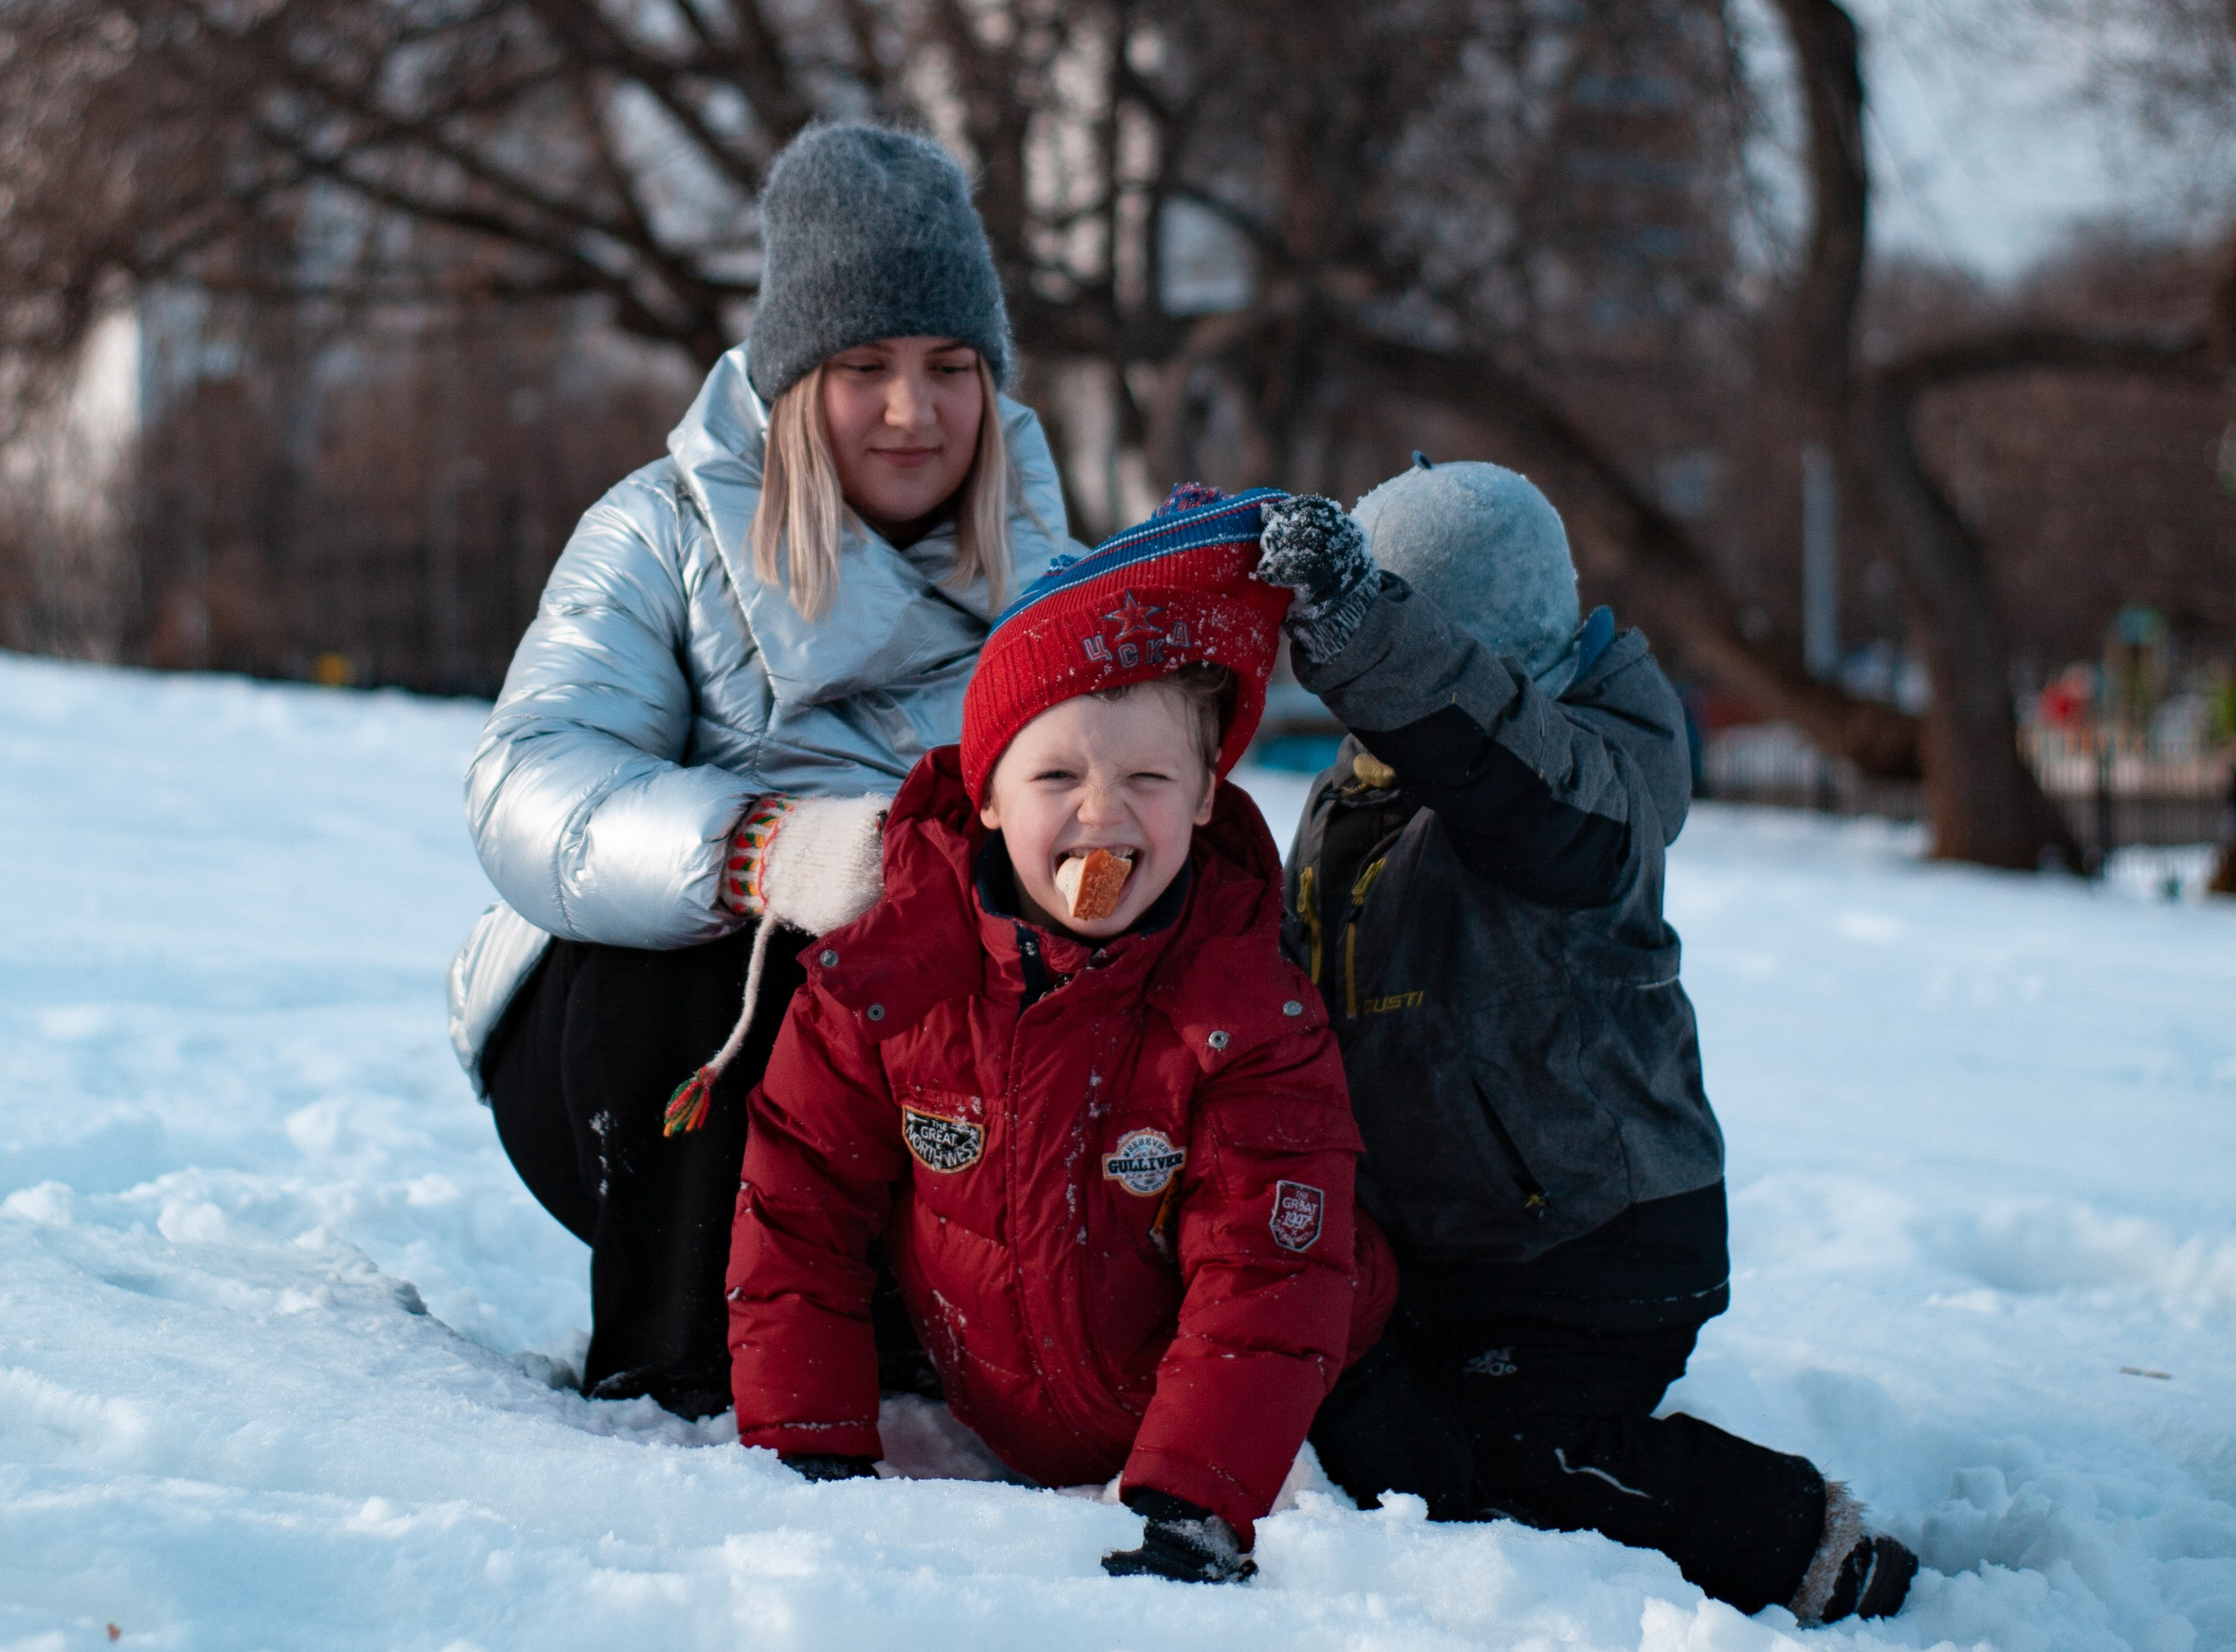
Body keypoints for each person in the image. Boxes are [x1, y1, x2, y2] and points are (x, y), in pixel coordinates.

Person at [444, 123, 1071, 1420]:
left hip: (920, 1061)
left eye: (952, 366)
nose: (915, 410)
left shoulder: (1053, 581)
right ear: (794, 380)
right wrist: (760, 852)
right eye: (867, 367)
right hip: (642, 1071)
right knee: (710, 940)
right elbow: (525, 779)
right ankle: (675, 1362)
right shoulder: (660, 531)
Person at [1253, 462, 1918, 1626]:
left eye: (1387, 641)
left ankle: (1807, 1543)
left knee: (1519, 1460)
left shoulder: (1582, 779)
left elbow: (1514, 774)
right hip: (1449, 1240)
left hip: (1586, 1245)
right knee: (1369, 1423)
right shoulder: (1353, 799)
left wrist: (1374, 631)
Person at [725, 486, 1397, 1584]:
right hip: (1007, 1389)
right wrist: (812, 1452)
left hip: (1294, 1388)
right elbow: (797, 1211)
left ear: (1202, 798)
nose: (1102, 814)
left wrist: (1196, 1497)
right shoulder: (892, 981)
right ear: (984, 795)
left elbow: (1267, 1267)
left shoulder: (1245, 1009)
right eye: (1055, 777)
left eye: (1147, 778)